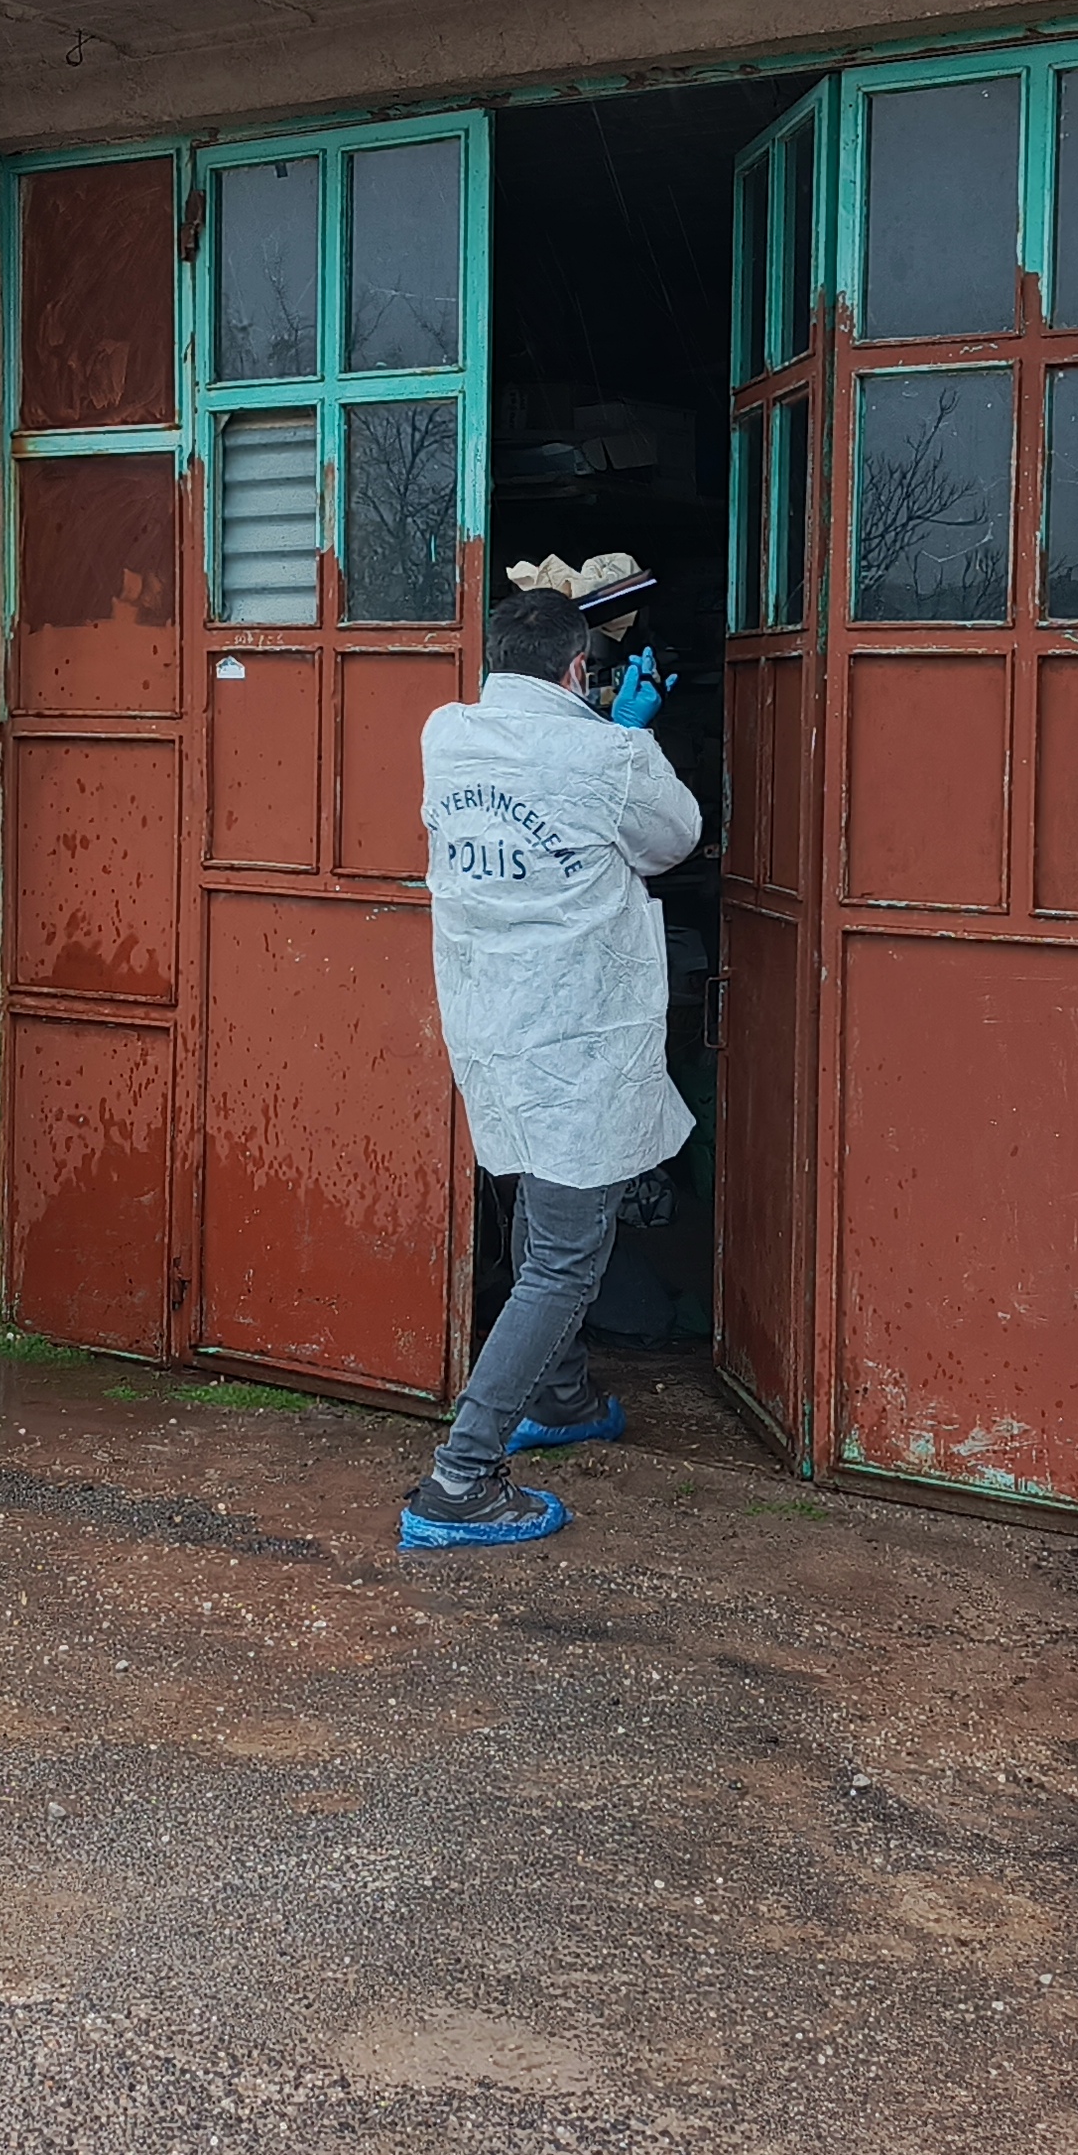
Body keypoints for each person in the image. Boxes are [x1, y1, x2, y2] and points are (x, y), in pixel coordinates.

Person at [402, 585, 699, 1549]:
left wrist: (599, 727)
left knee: (542, 1213)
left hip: (495, 1028)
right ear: (579, 670)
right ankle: (461, 1477)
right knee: (566, 1264)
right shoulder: (608, 756)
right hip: (577, 1040)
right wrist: (628, 731)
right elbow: (675, 836)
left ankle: (563, 1399)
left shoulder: (446, 733)